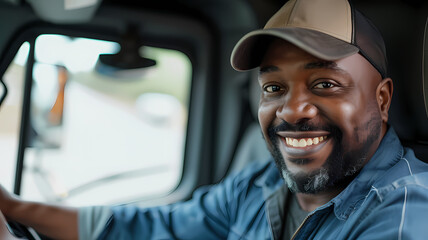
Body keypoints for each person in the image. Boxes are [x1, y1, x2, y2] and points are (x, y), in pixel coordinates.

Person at [2, 0, 428, 239]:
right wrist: (13, 207)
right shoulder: (258, 185)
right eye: (273, 88)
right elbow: (156, 228)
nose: (291, 110)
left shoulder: (405, 210)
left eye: (324, 84)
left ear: (383, 99)